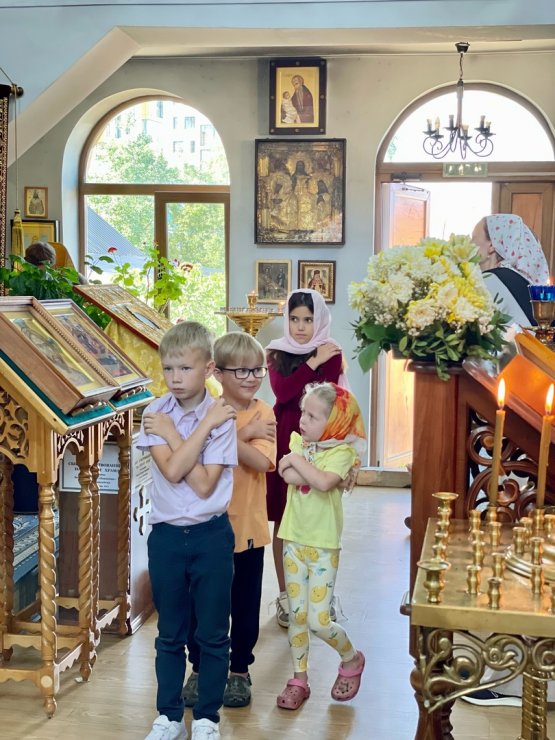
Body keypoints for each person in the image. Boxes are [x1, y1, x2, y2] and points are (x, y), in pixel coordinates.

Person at [136, 321, 238, 740]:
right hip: (166, 537)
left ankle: (208, 719)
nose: (175, 378)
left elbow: (203, 484)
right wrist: (198, 430)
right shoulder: (154, 414)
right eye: (168, 368)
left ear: (209, 369)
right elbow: (174, 470)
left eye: (185, 368)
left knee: (212, 633)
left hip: (211, 535)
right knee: (169, 633)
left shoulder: (222, 417)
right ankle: (170, 717)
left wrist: (185, 431)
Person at [182, 332, 276, 710]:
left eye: (257, 370)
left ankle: (239, 670)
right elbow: (192, 454)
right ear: (217, 373)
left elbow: (261, 461)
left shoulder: (264, 413)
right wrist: (241, 435)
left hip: (248, 525)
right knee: (202, 604)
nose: (251, 378)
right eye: (241, 371)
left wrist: (223, 436)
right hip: (205, 526)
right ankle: (200, 668)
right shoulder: (204, 410)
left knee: (245, 603)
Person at [275, 381, 367, 710]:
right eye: (303, 412)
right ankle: (299, 678)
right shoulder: (297, 442)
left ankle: (351, 658)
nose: (303, 420)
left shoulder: (342, 453)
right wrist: (305, 468)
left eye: (312, 417)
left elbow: (324, 482)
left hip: (323, 546)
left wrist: (296, 462)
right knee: (297, 616)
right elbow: (288, 476)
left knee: (318, 621)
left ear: (334, 423)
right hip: (293, 540)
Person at [266, 288, 347, 627]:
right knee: (284, 519)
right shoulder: (276, 353)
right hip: (284, 437)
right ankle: (287, 597)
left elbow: (326, 402)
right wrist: (312, 362)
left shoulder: (332, 353)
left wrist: (318, 361)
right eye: (295, 319)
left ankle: (319, 598)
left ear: (320, 320)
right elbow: (284, 393)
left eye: (309, 319)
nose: (301, 327)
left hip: (321, 443)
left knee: (317, 516)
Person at [471, 213, 550, 326]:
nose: (469, 243)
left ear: (492, 245)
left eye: (473, 238)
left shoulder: (487, 281)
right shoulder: (524, 282)